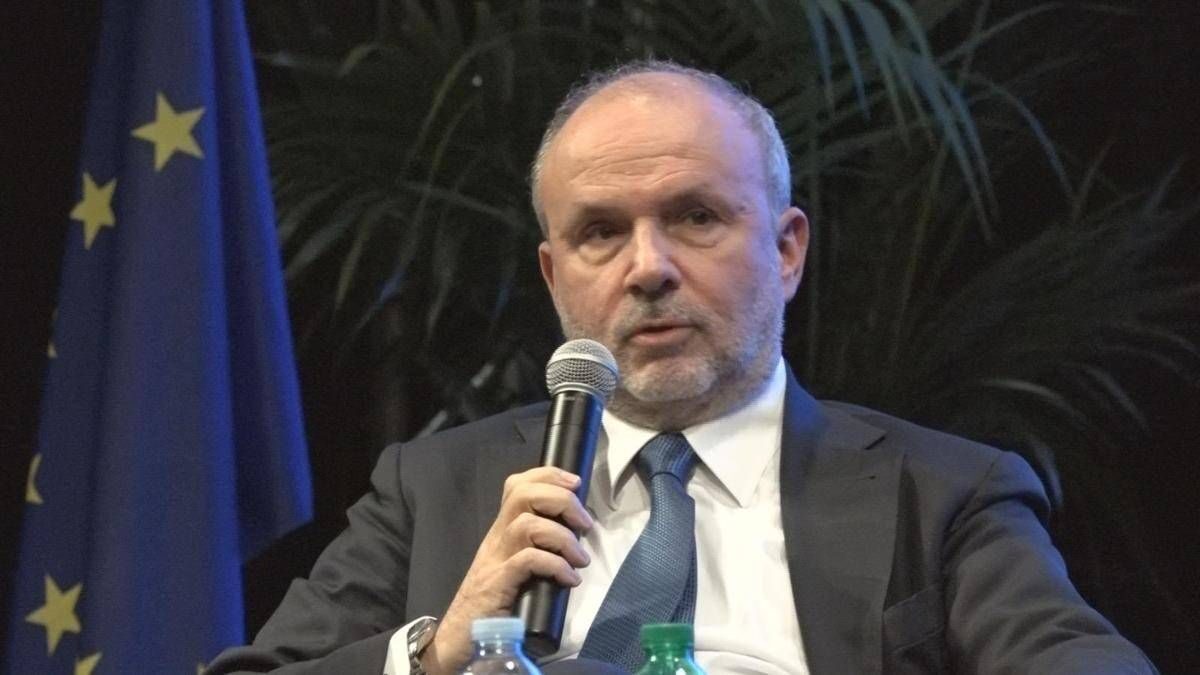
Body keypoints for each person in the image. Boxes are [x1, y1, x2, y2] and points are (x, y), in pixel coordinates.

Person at [208, 61, 1155, 674]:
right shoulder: (436, 488)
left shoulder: (940, 494)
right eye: (599, 232)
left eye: (696, 216)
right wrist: (438, 648)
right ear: (553, 276)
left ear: (787, 250)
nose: (648, 267)